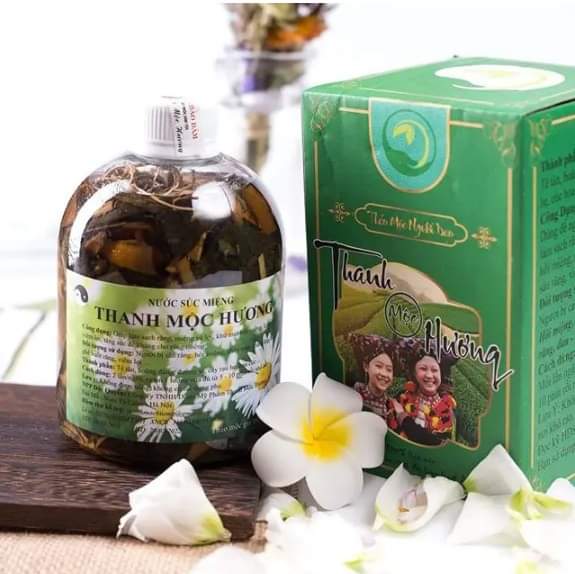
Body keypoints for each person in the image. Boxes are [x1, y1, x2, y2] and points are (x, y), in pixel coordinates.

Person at [392, 341, 457, 446]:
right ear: (414, 372)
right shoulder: (402, 396)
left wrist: (402, 417)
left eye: (434, 370)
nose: (429, 375)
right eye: (423, 368)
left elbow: (436, 444)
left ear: (442, 374)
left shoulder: (447, 409)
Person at [349, 333, 398, 429]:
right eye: (378, 366)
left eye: (389, 369)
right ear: (366, 366)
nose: (384, 374)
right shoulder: (353, 394)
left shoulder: (391, 406)